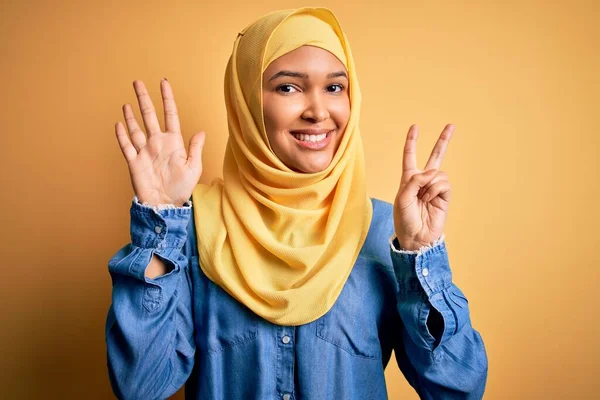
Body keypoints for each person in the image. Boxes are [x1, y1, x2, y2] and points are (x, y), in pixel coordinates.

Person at [106, 6, 488, 400]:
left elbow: (457, 390)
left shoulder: (384, 232)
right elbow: (141, 387)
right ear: (247, 105)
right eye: (288, 87)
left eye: (335, 87)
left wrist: (420, 256)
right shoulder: (194, 230)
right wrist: (158, 224)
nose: (318, 111)